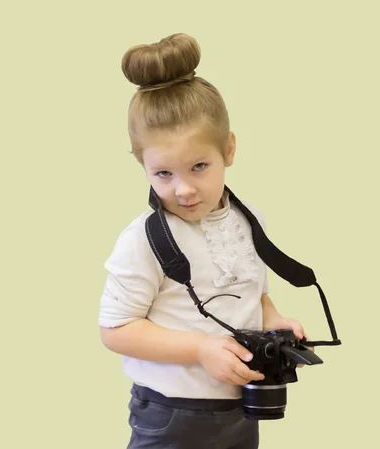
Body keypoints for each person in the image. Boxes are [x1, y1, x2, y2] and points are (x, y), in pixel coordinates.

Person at [98, 32, 310, 449]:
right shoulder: (143, 240)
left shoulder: (249, 220)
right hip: (170, 412)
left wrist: (274, 321)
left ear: (228, 149)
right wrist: (200, 349)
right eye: (164, 174)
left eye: (199, 166)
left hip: (240, 407)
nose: (184, 190)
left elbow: (250, 292)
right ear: (142, 165)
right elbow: (116, 330)